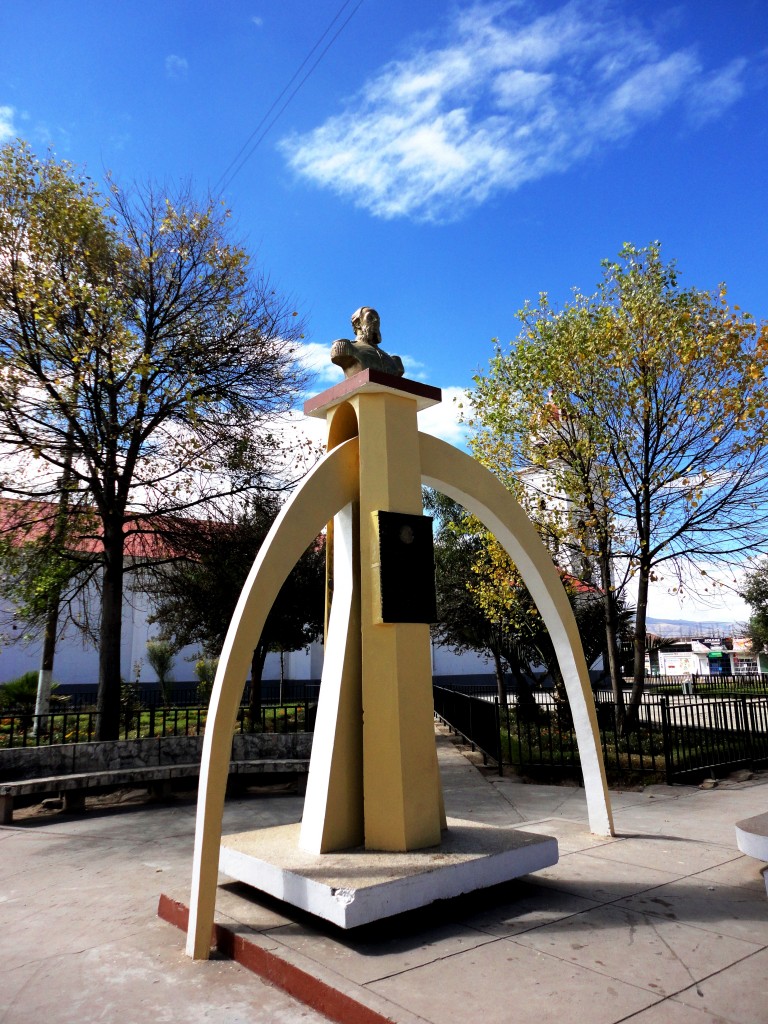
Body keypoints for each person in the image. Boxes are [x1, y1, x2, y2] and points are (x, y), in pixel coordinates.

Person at [330, 307, 405, 378]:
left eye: (378, 319)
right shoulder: (346, 348)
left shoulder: (393, 361)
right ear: (357, 323)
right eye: (370, 317)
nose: (376, 320)